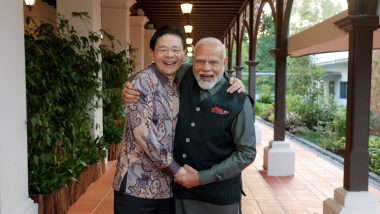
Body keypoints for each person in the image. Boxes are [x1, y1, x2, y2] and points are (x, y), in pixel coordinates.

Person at [114, 26, 245, 214]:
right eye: (162, 49)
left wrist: (230, 79)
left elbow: (210, 68)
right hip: (137, 186)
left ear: (184, 55)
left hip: (168, 189)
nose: (169, 55)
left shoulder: (181, 81)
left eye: (175, 50)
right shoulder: (141, 82)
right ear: (153, 53)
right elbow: (144, 135)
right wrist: (178, 171)